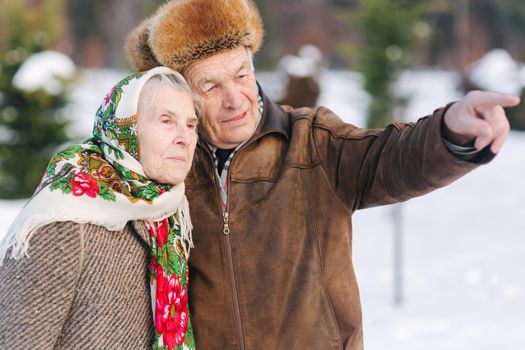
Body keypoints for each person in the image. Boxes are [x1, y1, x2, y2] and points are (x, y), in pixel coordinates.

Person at [124, 1, 521, 349]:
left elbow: (390, 157)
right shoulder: (168, 168)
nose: (234, 98)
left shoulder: (311, 143)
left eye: (241, 75)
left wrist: (449, 131)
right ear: (181, 93)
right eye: (209, 85)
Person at [0, 67, 199, 349]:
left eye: (191, 125)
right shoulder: (64, 218)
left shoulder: (171, 214)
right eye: (167, 120)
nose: (185, 137)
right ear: (124, 130)